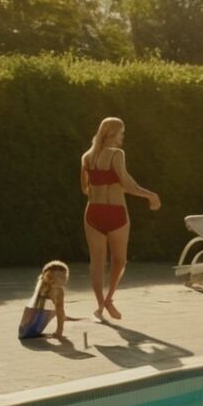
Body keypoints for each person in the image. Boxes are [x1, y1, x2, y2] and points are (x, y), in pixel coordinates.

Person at [80, 116, 161, 321]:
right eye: (122, 133)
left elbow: (85, 188)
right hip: (116, 212)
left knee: (97, 263)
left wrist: (104, 185)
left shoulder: (87, 157)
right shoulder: (117, 154)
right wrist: (151, 196)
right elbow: (128, 185)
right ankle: (108, 300)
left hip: (93, 212)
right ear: (113, 134)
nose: (123, 137)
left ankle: (100, 305)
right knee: (120, 260)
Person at [18, 261, 77, 339]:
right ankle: (63, 318)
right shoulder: (58, 290)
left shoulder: (41, 284)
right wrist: (59, 331)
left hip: (23, 330)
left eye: (65, 276)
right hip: (32, 330)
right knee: (58, 308)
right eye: (61, 277)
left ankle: (64, 317)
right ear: (50, 277)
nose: (64, 279)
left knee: (53, 306)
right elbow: (60, 310)